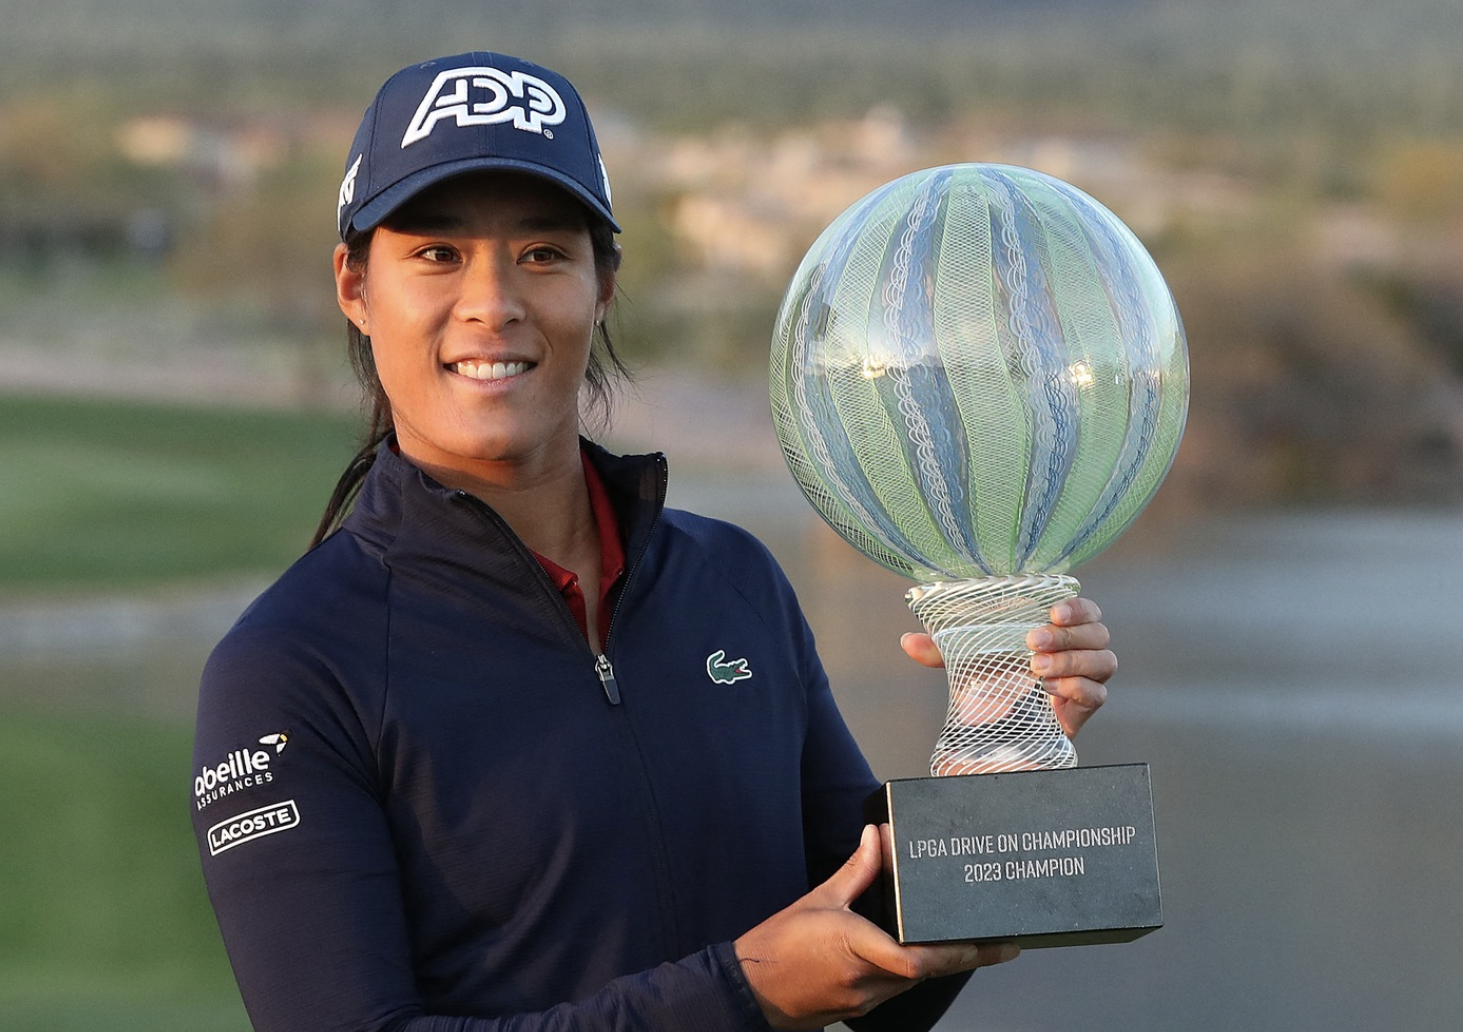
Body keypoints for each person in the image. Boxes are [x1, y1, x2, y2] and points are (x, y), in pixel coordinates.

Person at [190, 51, 1117, 1032]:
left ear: (603, 285)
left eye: (543, 253)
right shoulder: (290, 670)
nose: (492, 302)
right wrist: (744, 993)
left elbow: (876, 961)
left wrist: (996, 768)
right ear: (355, 285)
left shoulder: (733, 585)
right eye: (436, 254)